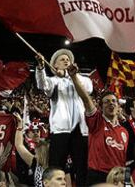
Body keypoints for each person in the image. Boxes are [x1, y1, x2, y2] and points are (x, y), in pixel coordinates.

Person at [35, 49, 92, 185]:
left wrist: (69, 75)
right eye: (62, 59)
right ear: (54, 66)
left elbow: (88, 89)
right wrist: (41, 67)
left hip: (81, 130)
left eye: (68, 59)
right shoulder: (53, 81)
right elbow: (42, 85)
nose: (66, 61)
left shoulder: (82, 79)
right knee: (57, 167)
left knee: (82, 167)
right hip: (61, 130)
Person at [68, 60, 128, 184]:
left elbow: (125, 159)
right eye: (106, 102)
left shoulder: (124, 132)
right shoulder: (97, 122)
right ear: (100, 108)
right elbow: (86, 99)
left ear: (118, 107)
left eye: (113, 101)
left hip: (118, 177)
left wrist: (126, 180)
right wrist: (74, 77)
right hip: (98, 175)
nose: (111, 103)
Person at [13, 112, 49, 187]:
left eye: (37, 131)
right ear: (27, 133)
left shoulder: (54, 165)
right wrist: (20, 125)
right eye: (33, 131)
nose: (36, 133)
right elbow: (19, 145)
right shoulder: (35, 163)